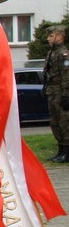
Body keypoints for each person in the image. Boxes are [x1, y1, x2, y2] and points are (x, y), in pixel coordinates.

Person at [44, 25, 69, 163]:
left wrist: (66, 94)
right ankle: (60, 149)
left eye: (51, 36)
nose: (48, 39)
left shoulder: (63, 54)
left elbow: (66, 76)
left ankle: (66, 151)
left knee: (64, 122)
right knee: (55, 122)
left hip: (60, 92)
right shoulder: (51, 53)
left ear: (59, 37)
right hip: (52, 92)